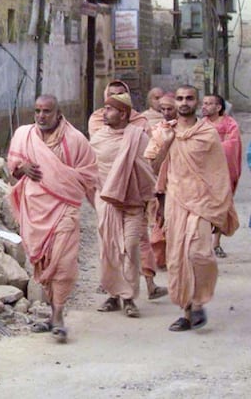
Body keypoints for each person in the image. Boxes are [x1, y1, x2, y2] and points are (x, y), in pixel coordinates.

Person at [144, 85, 239, 332]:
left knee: (200, 254)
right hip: (176, 203)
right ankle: (187, 311)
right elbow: (154, 168)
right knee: (177, 258)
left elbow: (219, 173)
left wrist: (220, 207)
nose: (184, 102)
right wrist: (165, 144)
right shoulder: (164, 132)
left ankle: (199, 302)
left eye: (189, 98)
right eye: (179, 98)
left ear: (197, 103)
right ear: (174, 102)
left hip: (202, 203)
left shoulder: (207, 134)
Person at [7, 95, 98, 343]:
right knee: (43, 262)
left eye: (47, 111)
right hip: (34, 209)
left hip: (64, 209)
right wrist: (22, 168)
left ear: (59, 113)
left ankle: (58, 315)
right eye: (37, 111)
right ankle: (51, 313)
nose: (41, 116)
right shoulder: (24, 135)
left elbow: (89, 173)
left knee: (64, 262)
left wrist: (64, 179)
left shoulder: (75, 139)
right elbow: (12, 165)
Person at [89, 79, 165, 299]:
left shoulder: (138, 132)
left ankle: (138, 290)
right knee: (110, 249)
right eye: (110, 97)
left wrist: (152, 198)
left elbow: (147, 167)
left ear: (124, 112)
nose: (107, 110)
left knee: (132, 245)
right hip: (107, 201)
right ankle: (114, 294)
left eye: (120, 95)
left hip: (133, 201)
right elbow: (91, 168)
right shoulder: (97, 130)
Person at [201, 94, 242, 258]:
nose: (205, 106)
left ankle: (216, 243)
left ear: (219, 107)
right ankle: (203, 244)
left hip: (223, 172)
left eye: (209, 104)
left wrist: (213, 147)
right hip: (203, 173)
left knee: (221, 208)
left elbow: (232, 145)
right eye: (203, 103)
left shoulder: (230, 124)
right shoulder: (199, 125)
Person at [147, 92, 177, 270]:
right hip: (163, 189)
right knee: (162, 226)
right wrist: (166, 144)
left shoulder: (194, 132)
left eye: (169, 108)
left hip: (189, 189)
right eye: (162, 109)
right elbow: (153, 165)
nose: (165, 112)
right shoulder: (158, 131)